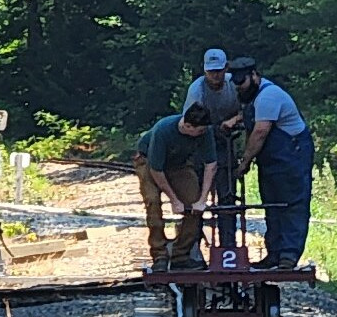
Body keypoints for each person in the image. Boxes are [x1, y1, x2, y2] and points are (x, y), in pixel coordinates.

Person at [230, 57, 314, 270]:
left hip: (291, 155)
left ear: (254, 76)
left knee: (292, 204)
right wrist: (234, 121)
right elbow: (250, 115)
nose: (240, 88)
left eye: (243, 83)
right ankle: (274, 254)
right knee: (272, 205)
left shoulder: (270, 95)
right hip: (271, 160)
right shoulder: (254, 97)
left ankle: (288, 254)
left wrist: (244, 163)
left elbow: (259, 132)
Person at [134, 103, 218, 271]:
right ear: (187, 126)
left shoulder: (205, 131)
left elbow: (211, 164)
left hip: (179, 164)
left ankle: (181, 254)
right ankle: (159, 254)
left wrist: (202, 199)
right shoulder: (163, 131)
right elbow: (156, 170)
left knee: (194, 202)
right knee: (153, 201)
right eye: (199, 131)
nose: (202, 134)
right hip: (149, 162)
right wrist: (174, 200)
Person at [183, 48, 242, 246]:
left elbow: (252, 108)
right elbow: (190, 121)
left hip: (227, 142)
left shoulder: (236, 84)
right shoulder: (196, 90)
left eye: (219, 70)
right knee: (197, 196)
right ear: (205, 70)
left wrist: (234, 120)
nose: (215, 75)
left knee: (227, 196)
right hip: (201, 143)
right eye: (211, 71)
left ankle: (229, 245)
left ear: (226, 68)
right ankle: (193, 246)